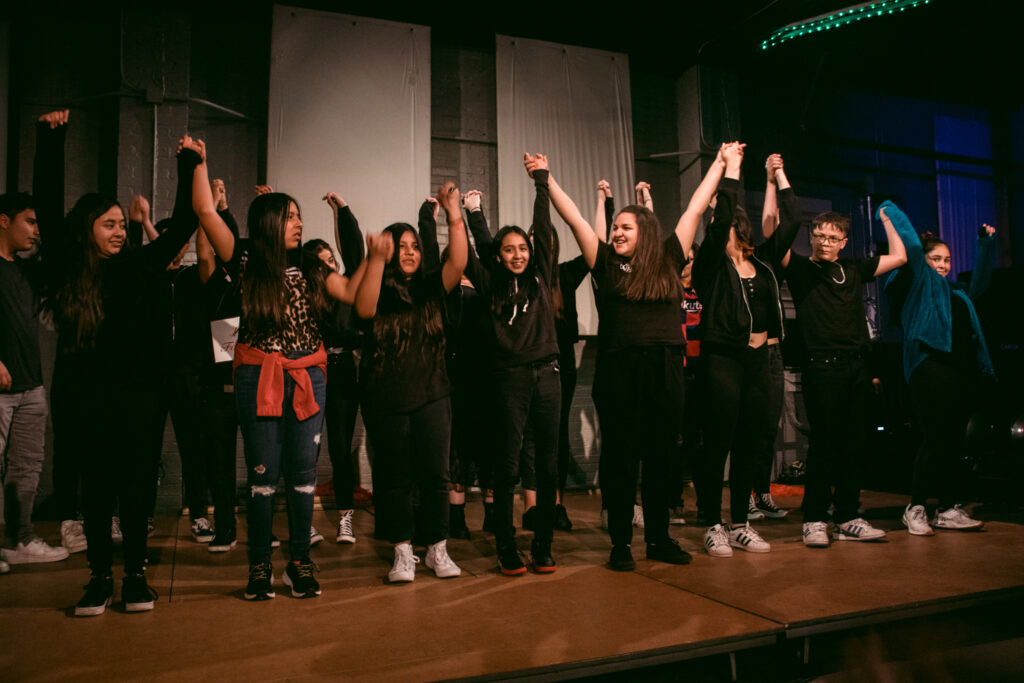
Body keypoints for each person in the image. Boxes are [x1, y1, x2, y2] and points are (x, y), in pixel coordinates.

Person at [191, 142, 367, 600]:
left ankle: (300, 564)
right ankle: (259, 566)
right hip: (258, 377)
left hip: (310, 376)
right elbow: (206, 214)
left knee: (304, 475)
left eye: (299, 216)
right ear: (270, 221)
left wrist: (359, 234)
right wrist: (197, 161)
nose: (299, 224)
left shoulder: (311, 264)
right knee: (263, 475)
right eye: (291, 216)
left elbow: (350, 290)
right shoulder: (247, 259)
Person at [42, 127, 204, 616]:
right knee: (96, 490)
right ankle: (98, 579)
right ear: (87, 228)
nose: (117, 231)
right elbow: (50, 216)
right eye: (107, 224)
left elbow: (179, 226)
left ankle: (135, 577)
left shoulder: (139, 266)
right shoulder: (70, 269)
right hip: (88, 400)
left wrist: (188, 163)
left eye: (120, 224)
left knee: (136, 487)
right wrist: (51, 145)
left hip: (139, 398)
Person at [547, 154, 698, 571]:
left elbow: (695, 209)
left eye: (624, 227)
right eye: (614, 227)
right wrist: (546, 177)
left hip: (665, 368)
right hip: (620, 372)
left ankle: (659, 539)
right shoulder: (607, 265)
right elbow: (576, 218)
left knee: (661, 457)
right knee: (620, 459)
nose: (616, 232)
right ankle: (620, 545)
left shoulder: (667, 259)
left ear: (643, 231)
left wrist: (723, 167)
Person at [353, 183, 467, 583]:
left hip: (433, 395)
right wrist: (374, 259)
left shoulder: (432, 286)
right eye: (401, 246)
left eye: (415, 246)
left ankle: (437, 549)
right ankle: (402, 553)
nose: (409, 252)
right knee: (393, 477)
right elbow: (364, 310)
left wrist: (454, 212)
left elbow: (458, 260)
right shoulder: (378, 286)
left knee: (436, 475)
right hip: (386, 398)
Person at [691, 144, 801, 558]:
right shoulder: (710, 268)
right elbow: (719, 219)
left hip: (761, 361)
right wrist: (732, 170)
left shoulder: (767, 262)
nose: (725, 228)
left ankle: (739, 522)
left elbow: (793, 218)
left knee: (749, 444)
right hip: (723, 360)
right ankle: (711, 522)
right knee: (717, 441)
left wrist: (779, 175)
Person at [781, 195, 907, 548]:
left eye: (832, 237)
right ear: (812, 236)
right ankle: (815, 518)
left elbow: (899, 256)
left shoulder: (853, 269)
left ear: (843, 242)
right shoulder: (803, 269)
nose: (824, 242)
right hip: (822, 366)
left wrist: (887, 219)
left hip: (856, 367)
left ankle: (849, 515)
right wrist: (775, 182)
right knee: (824, 445)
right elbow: (776, 238)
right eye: (819, 235)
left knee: (855, 445)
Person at [462, 155, 561, 575]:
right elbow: (477, 250)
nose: (518, 254)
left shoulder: (540, 274)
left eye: (523, 248)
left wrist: (541, 179)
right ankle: (506, 546)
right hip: (510, 379)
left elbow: (542, 225)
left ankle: (542, 545)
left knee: (548, 463)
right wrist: (470, 214)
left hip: (548, 375)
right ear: (499, 257)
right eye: (510, 250)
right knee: (507, 463)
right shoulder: (491, 285)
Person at [879, 202, 993, 535]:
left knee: (953, 441)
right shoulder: (919, 285)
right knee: (935, 436)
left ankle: (946, 508)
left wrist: (984, 245)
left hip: (960, 372)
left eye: (947, 260)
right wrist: (889, 212)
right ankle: (915, 507)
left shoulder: (956, 292)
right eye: (936, 259)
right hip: (929, 368)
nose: (943, 265)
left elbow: (981, 287)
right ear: (925, 263)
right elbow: (912, 251)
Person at [0, 112, 72, 568]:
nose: (36, 229)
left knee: (26, 470)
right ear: (3, 221)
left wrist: (50, 144)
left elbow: (50, 210)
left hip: (30, 386)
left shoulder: (25, 269)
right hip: (2, 388)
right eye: (27, 222)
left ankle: (21, 539)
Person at [306, 190, 365, 545]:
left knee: (341, 449)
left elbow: (355, 251)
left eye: (332, 258)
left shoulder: (347, 287)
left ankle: (345, 519)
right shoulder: (307, 293)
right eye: (322, 260)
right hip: (312, 371)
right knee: (305, 449)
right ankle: (305, 521)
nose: (330, 263)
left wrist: (342, 210)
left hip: (343, 370)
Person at [747, 153, 793, 521]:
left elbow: (772, 223)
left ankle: (762, 492)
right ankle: (744, 495)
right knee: (742, 427)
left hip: (774, 355)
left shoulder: (765, 259)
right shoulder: (724, 266)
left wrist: (771, 178)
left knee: (765, 429)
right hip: (745, 356)